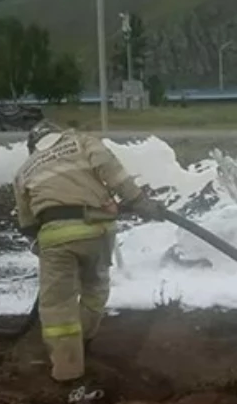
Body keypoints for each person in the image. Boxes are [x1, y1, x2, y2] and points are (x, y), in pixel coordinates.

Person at [13, 120, 167, 389]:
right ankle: (83, 340)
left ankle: (68, 370)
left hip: (55, 238)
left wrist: (42, 242)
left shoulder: (24, 169)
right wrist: (139, 202)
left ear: (33, 146)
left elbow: (26, 222)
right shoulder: (82, 142)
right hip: (97, 231)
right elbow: (113, 172)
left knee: (58, 306)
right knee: (95, 287)